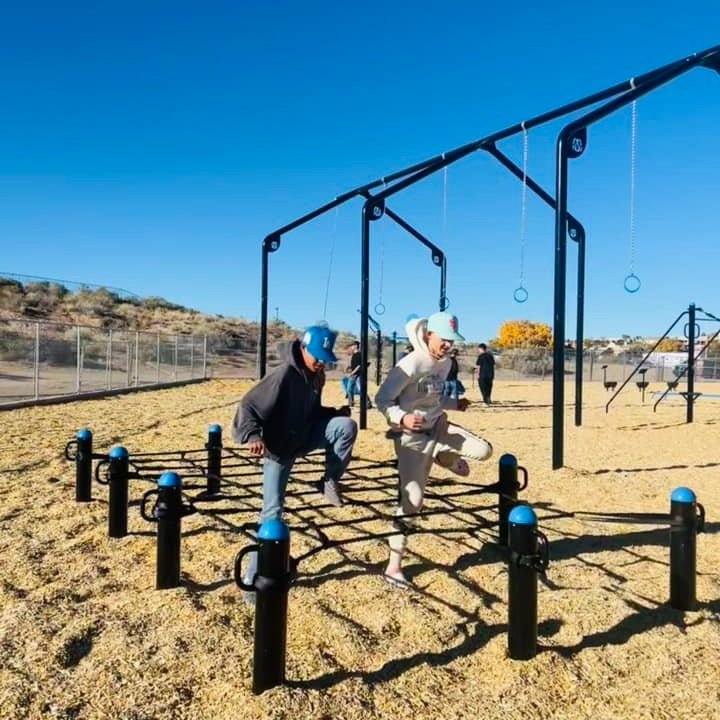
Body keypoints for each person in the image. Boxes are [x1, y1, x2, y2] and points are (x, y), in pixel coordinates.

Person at [232, 323, 358, 597]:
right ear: (303, 349)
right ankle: (253, 585)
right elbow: (249, 405)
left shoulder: (316, 376)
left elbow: (310, 412)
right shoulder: (284, 375)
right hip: (279, 447)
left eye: (325, 360)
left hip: (303, 436)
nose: (322, 364)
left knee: (345, 426)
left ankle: (329, 481)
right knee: (272, 513)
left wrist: (334, 413)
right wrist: (253, 436)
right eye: (318, 358)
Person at [375, 311, 493, 589]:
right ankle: (394, 566)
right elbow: (382, 398)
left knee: (483, 450)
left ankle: (444, 454)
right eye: (444, 340)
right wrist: (401, 418)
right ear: (429, 335)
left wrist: (454, 404)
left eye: (452, 341)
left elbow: (434, 397)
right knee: (412, 502)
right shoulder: (411, 363)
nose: (448, 346)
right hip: (412, 439)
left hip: (438, 426)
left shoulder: (446, 362)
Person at [341, 341, 361, 406]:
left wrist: (352, 373)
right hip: (354, 375)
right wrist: (349, 368)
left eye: (352, 346)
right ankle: (351, 403)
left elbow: (358, 366)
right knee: (349, 389)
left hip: (357, 375)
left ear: (355, 346)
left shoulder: (359, 355)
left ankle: (367, 403)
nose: (351, 347)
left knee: (361, 390)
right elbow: (355, 365)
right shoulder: (354, 355)